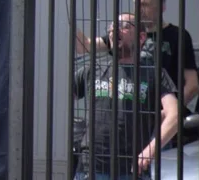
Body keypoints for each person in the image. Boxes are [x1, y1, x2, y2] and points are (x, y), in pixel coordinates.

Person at [73, 13, 179, 179]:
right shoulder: (92, 70)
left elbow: (175, 115)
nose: (114, 30)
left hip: (131, 170)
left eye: (123, 26)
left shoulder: (153, 74)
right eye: (111, 27)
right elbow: (61, 98)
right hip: (90, 168)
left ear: (141, 37)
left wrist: (149, 151)